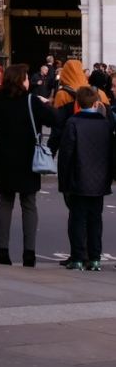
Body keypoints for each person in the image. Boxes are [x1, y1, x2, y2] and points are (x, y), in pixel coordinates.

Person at [0, 63, 57, 267]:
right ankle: (29, 253)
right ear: (21, 80)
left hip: (4, 159)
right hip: (27, 158)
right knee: (29, 204)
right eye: (26, 78)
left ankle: (2, 250)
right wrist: (45, 104)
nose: (29, 81)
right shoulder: (32, 101)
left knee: (5, 202)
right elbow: (53, 119)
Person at [58, 86, 115, 271]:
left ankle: (78, 257)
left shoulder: (73, 123)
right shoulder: (105, 124)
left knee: (78, 219)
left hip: (78, 179)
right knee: (95, 220)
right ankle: (95, 258)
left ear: (78, 102)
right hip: (99, 179)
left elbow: (66, 154)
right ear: (96, 102)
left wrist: (64, 180)